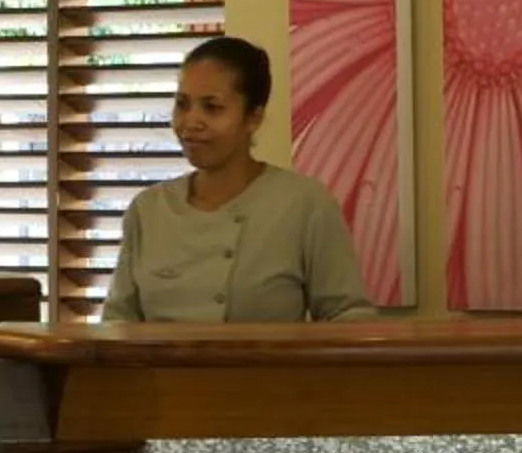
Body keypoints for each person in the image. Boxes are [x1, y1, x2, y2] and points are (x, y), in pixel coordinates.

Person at [101, 36, 378, 323]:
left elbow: (348, 315)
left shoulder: (304, 204)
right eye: (182, 105)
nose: (191, 122)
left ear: (252, 119)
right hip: (157, 370)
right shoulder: (148, 210)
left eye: (212, 107)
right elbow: (118, 322)